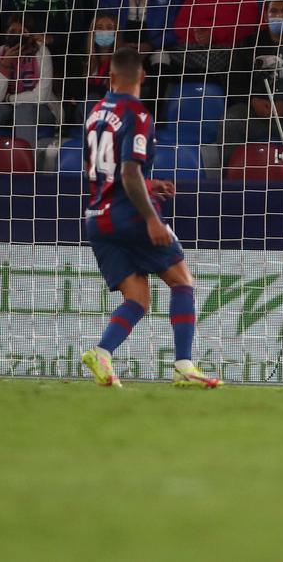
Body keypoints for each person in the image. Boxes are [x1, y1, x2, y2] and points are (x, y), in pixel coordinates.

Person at [80, 48, 223, 390]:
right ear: (142, 77)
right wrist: (152, 219)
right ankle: (184, 366)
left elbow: (105, 172)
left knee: (137, 299)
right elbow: (128, 172)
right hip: (130, 215)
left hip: (97, 218)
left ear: (110, 76)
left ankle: (101, 353)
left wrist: (147, 183)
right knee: (182, 281)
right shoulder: (138, 113)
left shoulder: (95, 114)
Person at [0, 15, 59, 145]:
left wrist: (11, 99)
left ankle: (27, 163)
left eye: (22, 32)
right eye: (12, 32)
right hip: (6, 109)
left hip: (40, 109)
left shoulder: (42, 52)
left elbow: (41, 97)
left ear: (30, 35)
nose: (17, 35)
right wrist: (5, 65)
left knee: (24, 109)